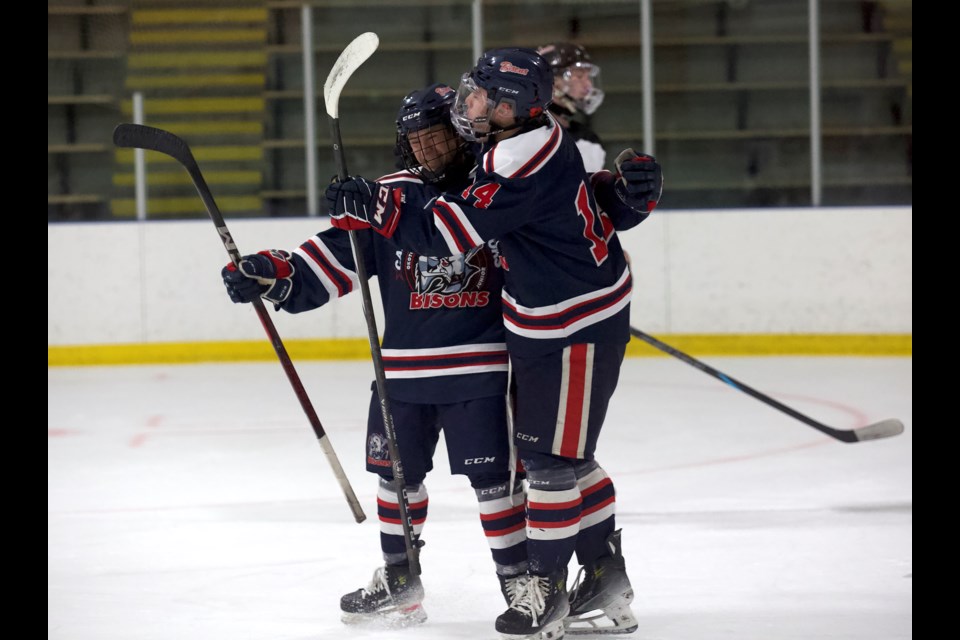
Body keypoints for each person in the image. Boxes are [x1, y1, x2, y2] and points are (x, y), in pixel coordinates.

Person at [325, 48, 663, 640]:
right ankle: (606, 576)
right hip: (540, 321)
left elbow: (448, 231)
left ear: (511, 109)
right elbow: (577, 196)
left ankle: (547, 594)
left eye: (482, 96)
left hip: (575, 323)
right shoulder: (513, 139)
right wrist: (620, 192)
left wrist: (374, 206)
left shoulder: (516, 156)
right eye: (470, 90)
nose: (469, 103)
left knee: (551, 463)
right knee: (562, 457)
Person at [221, 83, 529, 627]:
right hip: (404, 371)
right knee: (395, 477)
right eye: (415, 140)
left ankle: (521, 584)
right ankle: (399, 580)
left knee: (496, 483)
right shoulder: (389, 195)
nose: (426, 150)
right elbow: (334, 261)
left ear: (461, 129)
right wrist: (271, 272)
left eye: (435, 136)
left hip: (483, 369)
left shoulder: (495, 188)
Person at [537, 42, 607, 172]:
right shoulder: (525, 135)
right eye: (580, 76)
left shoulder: (588, 138)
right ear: (553, 81)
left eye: (588, 77)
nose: (588, 85)